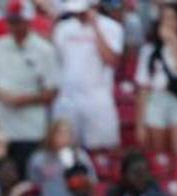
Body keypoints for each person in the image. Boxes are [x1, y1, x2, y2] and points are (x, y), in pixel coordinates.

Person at [0, 0, 59, 173]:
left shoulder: (44, 50)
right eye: (11, 21)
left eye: (18, 22)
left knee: (27, 174)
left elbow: (52, 91)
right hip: (0, 126)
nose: (13, 27)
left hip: (31, 128)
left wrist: (22, 100)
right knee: (0, 174)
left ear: (28, 21)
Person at [51, 0, 123, 151]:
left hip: (97, 97)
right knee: (65, 146)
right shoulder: (63, 28)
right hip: (69, 97)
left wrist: (95, 27)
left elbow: (111, 60)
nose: (78, 15)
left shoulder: (112, 28)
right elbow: (59, 60)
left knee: (102, 147)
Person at [135, 3, 177, 156]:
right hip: (157, 101)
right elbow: (144, 87)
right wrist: (140, 124)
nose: (169, 23)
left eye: (173, 18)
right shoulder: (149, 49)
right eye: (165, 19)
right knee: (159, 154)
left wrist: (174, 44)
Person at [26, 119, 95, 196]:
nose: (63, 137)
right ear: (51, 135)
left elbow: (91, 181)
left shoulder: (80, 156)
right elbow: (34, 184)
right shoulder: (38, 158)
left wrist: (73, 164)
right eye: (60, 133)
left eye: (67, 133)